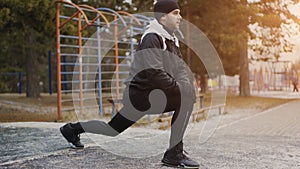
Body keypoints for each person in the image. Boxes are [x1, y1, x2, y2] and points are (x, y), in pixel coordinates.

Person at [60, 0, 199, 168]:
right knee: (113, 129)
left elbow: (180, 69)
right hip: (139, 96)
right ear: (163, 17)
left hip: (155, 95)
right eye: (175, 13)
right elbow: (154, 74)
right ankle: (174, 155)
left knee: (112, 129)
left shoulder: (171, 39)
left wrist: (185, 85)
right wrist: (182, 88)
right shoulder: (151, 38)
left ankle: (72, 129)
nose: (180, 17)